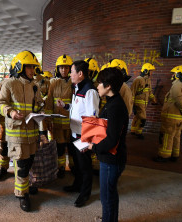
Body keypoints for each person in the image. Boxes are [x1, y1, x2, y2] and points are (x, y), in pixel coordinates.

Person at [0, 50, 44, 212]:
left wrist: (40, 112)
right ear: (19, 67)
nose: (32, 70)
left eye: (33, 67)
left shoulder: (35, 86)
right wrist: (10, 112)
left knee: (29, 162)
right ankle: (22, 195)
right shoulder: (9, 84)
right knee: (22, 164)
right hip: (16, 132)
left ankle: (24, 187)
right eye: (29, 67)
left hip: (32, 132)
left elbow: (38, 106)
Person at [86, 68, 128, 222]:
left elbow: (111, 140)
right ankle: (108, 218)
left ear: (108, 85)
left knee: (107, 196)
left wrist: (93, 147)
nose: (97, 86)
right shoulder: (112, 102)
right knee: (108, 194)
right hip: (109, 158)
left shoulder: (115, 107)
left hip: (112, 160)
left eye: (99, 83)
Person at [57, 60, 100, 207]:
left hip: (83, 136)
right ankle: (77, 185)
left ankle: (85, 193)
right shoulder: (77, 87)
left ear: (80, 74)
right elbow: (77, 109)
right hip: (74, 133)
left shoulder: (90, 91)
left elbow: (93, 117)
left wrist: (89, 141)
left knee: (85, 167)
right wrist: (65, 106)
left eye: (72, 72)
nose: (70, 74)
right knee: (76, 164)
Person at [154, 65, 182, 162]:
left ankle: (164, 156)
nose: (172, 75)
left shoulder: (176, 85)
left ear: (179, 75)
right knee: (176, 136)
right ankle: (175, 155)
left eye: (174, 73)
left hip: (171, 118)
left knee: (167, 136)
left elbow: (179, 101)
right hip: (180, 119)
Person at [45, 54, 73, 178]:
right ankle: (60, 167)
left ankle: (73, 166)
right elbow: (49, 102)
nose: (64, 70)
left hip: (72, 123)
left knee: (72, 147)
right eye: (61, 67)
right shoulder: (53, 83)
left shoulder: (74, 82)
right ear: (57, 69)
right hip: (57, 123)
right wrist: (48, 119)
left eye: (66, 68)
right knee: (59, 147)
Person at [130, 63, 157, 139]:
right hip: (138, 102)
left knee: (137, 117)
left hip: (144, 103)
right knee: (143, 118)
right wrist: (132, 104)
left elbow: (149, 92)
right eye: (150, 71)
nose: (151, 73)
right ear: (146, 71)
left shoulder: (148, 80)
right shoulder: (138, 80)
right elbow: (132, 92)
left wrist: (153, 100)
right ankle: (139, 132)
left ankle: (133, 130)